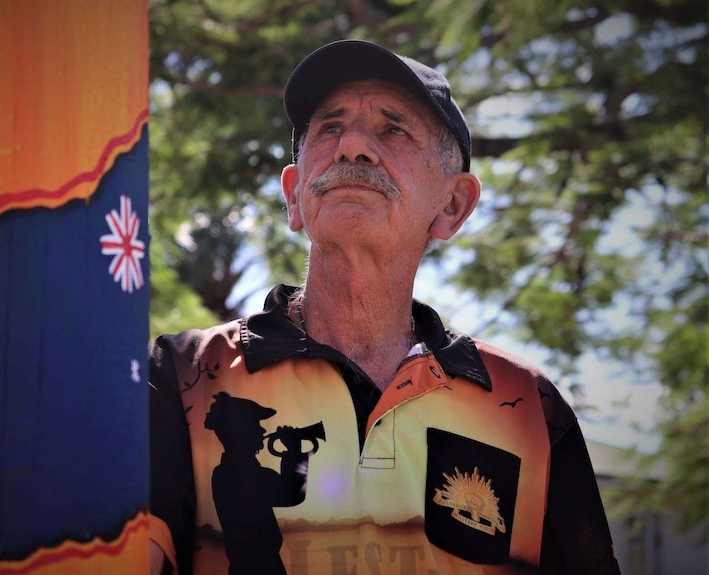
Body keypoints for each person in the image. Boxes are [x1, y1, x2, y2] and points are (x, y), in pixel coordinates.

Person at [148, 39, 620, 575]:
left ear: (453, 205)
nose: (352, 146)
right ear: (294, 194)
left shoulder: (529, 405)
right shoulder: (180, 374)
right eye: (329, 127)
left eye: (393, 129)